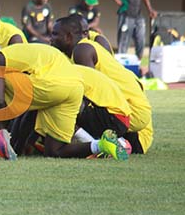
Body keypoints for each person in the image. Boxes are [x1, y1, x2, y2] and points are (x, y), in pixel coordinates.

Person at [0, 43, 128, 160]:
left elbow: (1, 100)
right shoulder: (48, 58)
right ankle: (102, 145)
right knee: (55, 150)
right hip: (74, 89)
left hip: (56, 87)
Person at [50, 16, 153, 154]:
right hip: (136, 121)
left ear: (69, 36)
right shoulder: (93, 43)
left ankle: (100, 145)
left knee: (65, 102)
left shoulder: (82, 51)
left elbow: (89, 91)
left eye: (55, 34)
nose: (50, 38)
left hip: (133, 123)